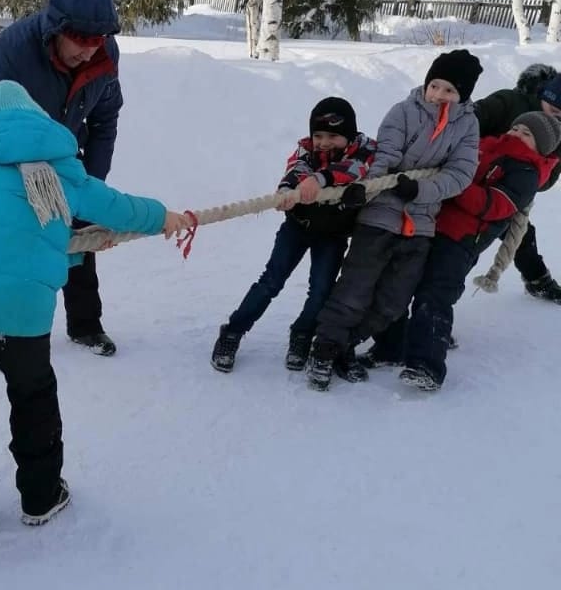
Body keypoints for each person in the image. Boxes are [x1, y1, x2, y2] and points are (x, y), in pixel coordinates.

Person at [0, 81, 189, 544]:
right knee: (32, 395)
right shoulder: (59, 167)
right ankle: (41, 496)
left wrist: (69, 250)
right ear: (36, 117)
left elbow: (4, 235)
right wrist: (164, 217)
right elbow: (116, 207)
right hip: (16, 309)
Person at [304, 50, 482, 390]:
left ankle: (345, 346)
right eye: (435, 86)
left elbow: (460, 174)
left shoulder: (467, 126)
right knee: (355, 291)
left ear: (463, 95)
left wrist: (420, 190)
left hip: (421, 226)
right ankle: (325, 350)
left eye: (449, 90)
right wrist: (365, 190)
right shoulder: (403, 113)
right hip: (379, 218)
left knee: (393, 302)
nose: (439, 95)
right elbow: (382, 159)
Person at [0, 0, 123, 356]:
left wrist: (90, 186)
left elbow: (105, 119)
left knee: (79, 237)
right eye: (81, 41)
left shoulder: (104, 52)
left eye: (98, 41)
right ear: (57, 30)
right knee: (9, 245)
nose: (90, 52)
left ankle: (85, 325)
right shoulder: (14, 49)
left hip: (66, 156)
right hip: (8, 156)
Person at [387, 111, 561, 391]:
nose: (516, 134)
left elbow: (494, 206)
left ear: (540, 146)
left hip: (462, 239)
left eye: (526, 134)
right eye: (516, 127)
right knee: (402, 282)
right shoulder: (484, 147)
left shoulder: (527, 172)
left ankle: (426, 365)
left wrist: (454, 184)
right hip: (432, 225)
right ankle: (393, 345)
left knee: (435, 293)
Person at [210, 97, 376, 373]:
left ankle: (302, 333)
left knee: (321, 289)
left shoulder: (364, 150)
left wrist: (321, 179)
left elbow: (359, 167)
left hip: (332, 234)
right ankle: (233, 331)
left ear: (348, 135)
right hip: (298, 226)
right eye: (319, 135)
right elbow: (295, 169)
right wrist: (287, 189)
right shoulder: (305, 149)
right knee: (271, 281)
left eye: (333, 136)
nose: (324, 142)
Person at [473, 65, 561, 302]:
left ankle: (537, 280)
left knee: (520, 232)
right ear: (544, 94)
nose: (555, 117)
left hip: (503, 192)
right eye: (553, 108)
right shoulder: (510, 102)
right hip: (464, 177)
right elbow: (468, 118)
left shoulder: (556, 136)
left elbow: (543, 183)